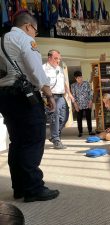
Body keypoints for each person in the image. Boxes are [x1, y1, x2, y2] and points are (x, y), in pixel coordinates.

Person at [0, 11, 59, 202]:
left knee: (17, 141)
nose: (35, 34)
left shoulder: (2, 41)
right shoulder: (24, 39)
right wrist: (48, 94)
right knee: (33, 139)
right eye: (35, 30)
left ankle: (20, 187)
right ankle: (33, 188)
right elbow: (35, 70)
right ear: (28, 26)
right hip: (23, 96)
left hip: (5, 97)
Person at [43, 49, 74, 149]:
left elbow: (64, 83)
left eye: (59, 59)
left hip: (61, 96)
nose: (58, 61)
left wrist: (69, 94)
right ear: (49, 58)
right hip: (51, 96)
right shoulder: (43, 68)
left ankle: (54, 135)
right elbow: (40, 84)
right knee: (54, 117)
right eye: (56, 58)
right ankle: (56, 139)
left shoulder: (60, 69)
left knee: (65, 117)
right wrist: (47, 97)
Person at [71, 71, 95, 137]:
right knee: (79, 119)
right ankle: (80, 132)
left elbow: (90, 93)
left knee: (88, 118)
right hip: (78, 105)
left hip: (87, 103)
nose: (80, 79)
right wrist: (75, 105)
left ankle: (90, 131)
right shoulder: (73, 86)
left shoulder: (86, 83)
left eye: (81, 77)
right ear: (75, 78)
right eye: (78, 78)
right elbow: (73, 96)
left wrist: (90, 102)